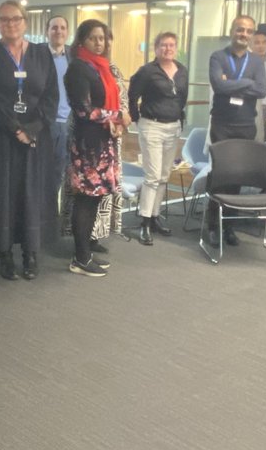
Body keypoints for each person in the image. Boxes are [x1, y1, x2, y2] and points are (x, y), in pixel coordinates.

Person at [0, 0, 58, 281]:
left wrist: (32, 128)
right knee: (5, 195)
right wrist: (14, 128)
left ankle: (30, 253)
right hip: (2, 136)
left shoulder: (42, 53)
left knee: (32, 194)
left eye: (16, 19)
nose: (10, 24)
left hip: (35, 138)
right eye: (4, 19)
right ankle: (5, 253)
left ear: (25, 22)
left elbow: (51, 96)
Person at [63, 19, 121, 277]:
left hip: (103, 142)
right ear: (82, 41)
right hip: (88, 146)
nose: (99, 43)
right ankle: (80, 258)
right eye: (93, 38)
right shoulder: (78, 68)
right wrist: (116, 116)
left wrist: (115, 121)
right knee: (86, 200)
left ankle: (85, 250)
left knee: (95, 198)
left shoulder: (100, 66)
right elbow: (84, 111)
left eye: (103, 38)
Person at [207, 14, 266, 246]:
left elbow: (261, 90)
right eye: (240, 29)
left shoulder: (256, 62)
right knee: (220, 176)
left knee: (237, 177)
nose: (244, 34)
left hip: (246, 126)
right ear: (232, 30)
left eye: (249, 31)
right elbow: (218, 86)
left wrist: (231, 83)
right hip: (222, 125)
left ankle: (229, 226)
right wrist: (247, 83)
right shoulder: (218, 56)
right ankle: (213, 226)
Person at [128, 31, 188, 245]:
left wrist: (179, 119)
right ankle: (144, 222)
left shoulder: (182, 70)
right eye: (163, 45)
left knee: (163, 176)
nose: (167, 49)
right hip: (151, 126)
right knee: (152, 176)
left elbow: (182, 98)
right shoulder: (147, 71)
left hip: (173, 127)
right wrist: (137, 119)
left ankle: (154, 217)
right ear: (156, 48)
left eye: (171, 45)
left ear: (176, 48)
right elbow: (132, 96)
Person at [46, 15, 71, 202]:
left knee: (60, 173)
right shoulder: (36, 54)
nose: (59, 31)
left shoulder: (73, 55)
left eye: (62, 28)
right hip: (46, 123)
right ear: (47, 31)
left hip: (69, 123)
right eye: (54, 27)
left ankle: (54, 213)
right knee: (44, 172)